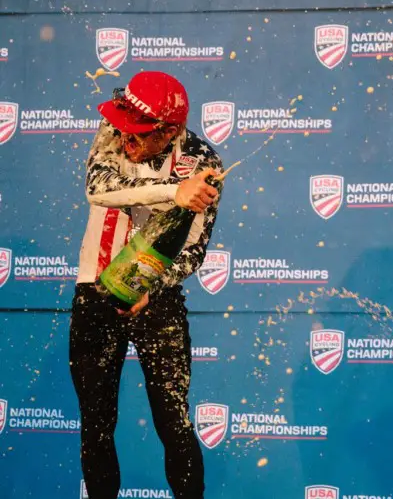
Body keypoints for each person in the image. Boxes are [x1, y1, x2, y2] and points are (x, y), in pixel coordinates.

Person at [69, 71, 223, 499]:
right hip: (95, 291)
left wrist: (152, 289)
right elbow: (97, 189)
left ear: (170, 130)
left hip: (158, 301)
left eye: (139, 135)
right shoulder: (113, 130)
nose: (126, 140)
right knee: (96, 424)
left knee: (173, 422)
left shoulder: (203, 162)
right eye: (123, 128)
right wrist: (174, 192)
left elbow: (193, 252)